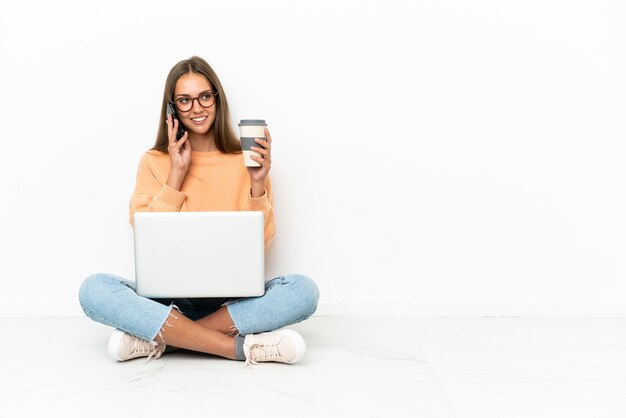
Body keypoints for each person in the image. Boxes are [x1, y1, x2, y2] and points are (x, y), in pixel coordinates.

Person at [78, 56, 319, 365]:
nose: (197, 108)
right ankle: (239, 348)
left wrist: (257, 184)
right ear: (172, 109)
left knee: (303, 291)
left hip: (231, 302)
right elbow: (150, 239)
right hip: (168, 300)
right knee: (94, 289)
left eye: (204, 96)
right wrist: (175, 174)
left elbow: (260, 245)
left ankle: (162, 339)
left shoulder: (246, 161)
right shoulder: (154, 161)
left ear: (217, 99)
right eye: (185, 100)